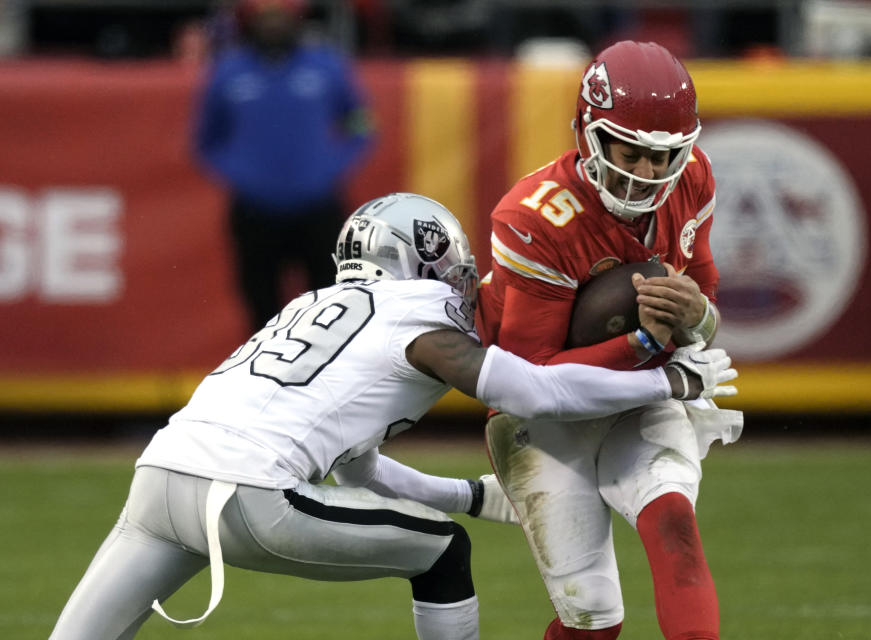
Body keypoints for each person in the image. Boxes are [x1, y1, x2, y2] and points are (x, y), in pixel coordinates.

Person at [50, 193, 738, 640]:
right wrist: (662, 376)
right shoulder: (420, 313)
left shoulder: (307, 307)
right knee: (441, 554)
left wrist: (467, 495)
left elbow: (362, 466)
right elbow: (533, 393)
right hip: (251, 493)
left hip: (159, 479)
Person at [475, 41, 744, 640]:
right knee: (594, 623)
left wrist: (697, 314)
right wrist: (646, 347)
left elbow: (702, 296)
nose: (650, 174)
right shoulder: (535, 217)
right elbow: (532, 377)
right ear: (589, 135)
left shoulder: (692, 176)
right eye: (634, 153)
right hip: (539, 419)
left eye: (665, 156)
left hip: (638, 396)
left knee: (673, 521)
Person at [193, 0, 372, 331]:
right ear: (251, 20)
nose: (273, 24)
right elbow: (205, 142)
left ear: (295, 18)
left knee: (332, 309)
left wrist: (331, 166)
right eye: (266, 16)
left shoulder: (326, 67)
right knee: (259, 310)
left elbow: (361, 126)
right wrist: (242, 175)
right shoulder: (229, 72)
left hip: (318, 208)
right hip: (254, 212)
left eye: (280, 15)